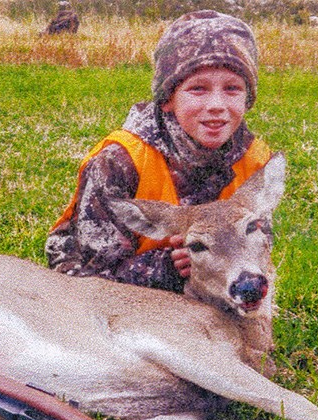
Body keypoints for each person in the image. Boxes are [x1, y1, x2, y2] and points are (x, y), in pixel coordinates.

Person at [45, 10, 272, 292]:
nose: (216, 104)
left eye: (232, 88)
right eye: (198, 89)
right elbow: (90, 274)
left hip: (219, 286)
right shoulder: (120, 161)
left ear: (248, 98)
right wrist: (166, 268)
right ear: (167, 100)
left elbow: (261, 247)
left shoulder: (254, 160)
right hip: (106, 291)